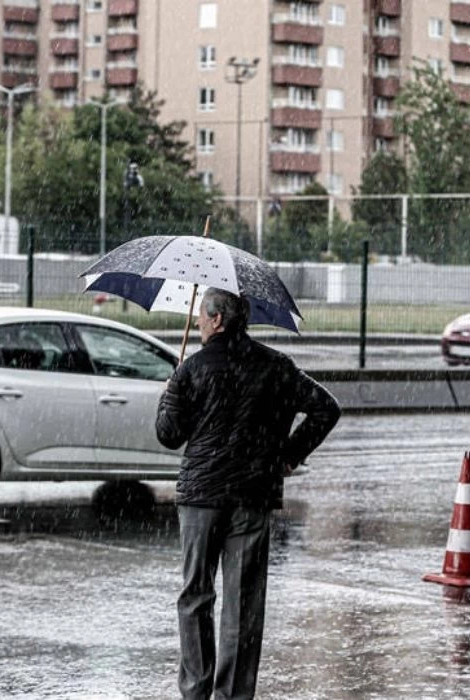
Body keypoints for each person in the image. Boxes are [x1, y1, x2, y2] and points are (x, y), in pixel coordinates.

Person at [157, 288, 341, 700]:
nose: (198, 322)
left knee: (194, 597)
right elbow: (327, 408)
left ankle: (195, 690)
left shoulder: (192, 368)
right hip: (253, 496)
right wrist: (288, 457)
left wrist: (170, 393)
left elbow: (169, 435)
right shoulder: (276, 366)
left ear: (218, 319)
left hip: (201, 498)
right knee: (243, 605)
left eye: (202, 316)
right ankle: (234, 695)